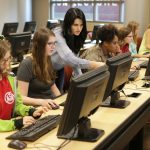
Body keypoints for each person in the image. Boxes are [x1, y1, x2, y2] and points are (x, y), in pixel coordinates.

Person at [51, 8, 104, 91]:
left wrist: (82, 83)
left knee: (58, 98)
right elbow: (69, 59)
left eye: (81, 25)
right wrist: (94, 64)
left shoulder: (75, 35)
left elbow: (75, 62)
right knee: (52, 99)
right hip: (45, 69)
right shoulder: (57, 34)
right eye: (75, 25)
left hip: (59, 68)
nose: (79, 28)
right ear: (68, 24)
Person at [0, 39, 47, 132]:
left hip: (7, 131)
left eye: (9, 58)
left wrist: (31, 111)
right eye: (3, 61)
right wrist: (15, 123)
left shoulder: (10, 78)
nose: (7, 64)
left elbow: (16, 105)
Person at [17, 28, 60, 109]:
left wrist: (61, 101)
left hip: (50, 104)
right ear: (40, 45)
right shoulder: (27, 64)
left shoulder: (48, 59)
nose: (53, 47)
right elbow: (21, 98)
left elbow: (52, 86)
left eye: (54, 43)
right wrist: (42, 102)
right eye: (49, 43)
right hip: (38, 108)